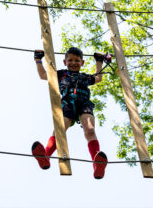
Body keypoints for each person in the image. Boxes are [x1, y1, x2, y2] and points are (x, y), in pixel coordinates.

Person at [32, 47, 108, 179]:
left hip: (84, 103)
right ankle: (45, 157)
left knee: (90, 130)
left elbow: (98, 78)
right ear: (65, 62)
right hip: (67, 103)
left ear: (82, 63)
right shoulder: (61, 74)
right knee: (60, 130)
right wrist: (38, 60)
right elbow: (43, 75)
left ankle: (97, 165)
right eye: (70, 60)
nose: (74, 62)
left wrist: (99, 62)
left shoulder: (85, 77)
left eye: (77, 60)